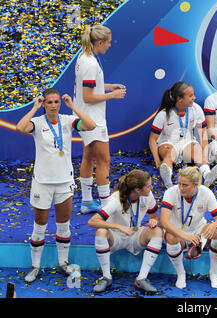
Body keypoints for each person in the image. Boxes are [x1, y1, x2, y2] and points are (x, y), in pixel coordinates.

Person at [15, 88, 96, 283]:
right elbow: (20, 127)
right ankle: (35, 266)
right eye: (49, 102)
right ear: (44, 104)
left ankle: (63, 262)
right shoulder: (37, 122)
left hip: (64, 182)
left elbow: (91, 125)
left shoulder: (68, 120)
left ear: (60, 103)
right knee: (39, 226)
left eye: (56, 102)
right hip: (42, 182)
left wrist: (73, 106)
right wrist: (34, 107)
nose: (53, 105)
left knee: (63, 225)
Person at [74, 25, 127, 214]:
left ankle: (87, 202)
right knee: (104, 160)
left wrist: (109, 86)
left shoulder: (84, 57)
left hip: (83, 114)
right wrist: (112, 96)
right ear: (99, 43)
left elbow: (90, 88)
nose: (110, 45)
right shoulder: (90, 64)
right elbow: (88, 96)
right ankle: (106, 208)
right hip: (92, 119)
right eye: (109, 42)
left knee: (88, 156)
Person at [87, 169, 163, 293]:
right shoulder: (115, 199)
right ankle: (107, 277)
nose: (152, 188)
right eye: (148, 186)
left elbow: (154, 216)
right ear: (138, 190)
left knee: (157, 231)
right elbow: (92, 221)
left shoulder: (148, 196)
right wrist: (118, 226)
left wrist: (154, 221)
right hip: (115, 236)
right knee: (101, 231)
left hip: (135, 234)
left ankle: (141, 278)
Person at [160, 166, 217, 289]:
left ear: (196, 185)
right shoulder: (171, 192)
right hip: (178, 232)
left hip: (197, 230)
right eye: (179, 183)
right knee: (170, 236)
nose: (180, 188)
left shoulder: (206, 192)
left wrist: (213, 225)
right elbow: (164, 222)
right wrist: (185, 236)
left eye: (185, 185)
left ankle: (213, 273)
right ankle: (181, 274)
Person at [149, 81, 217, 189]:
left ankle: (207, 175)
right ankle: (167, 178)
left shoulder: (196, 109)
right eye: (190, 95)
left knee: (197, 152)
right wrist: (157, 160)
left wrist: (205, 155)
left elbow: (203, 135)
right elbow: (152, 139)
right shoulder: (164, 114)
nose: (194, 98)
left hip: (187, 141)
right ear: (179, 99)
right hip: (168, 142)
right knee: (169, 154)